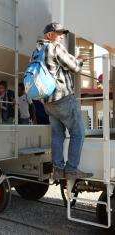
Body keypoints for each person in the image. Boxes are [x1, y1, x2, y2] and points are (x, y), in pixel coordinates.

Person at [36, 22, 93, 179]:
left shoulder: (37, 51)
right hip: (63, 98)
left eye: (62, 33)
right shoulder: (55, 47)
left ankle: (58, 168)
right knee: (79, 133)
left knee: (57, 135)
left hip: (47, 102)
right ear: (49, 35)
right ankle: (72, 169)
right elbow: (75, 67)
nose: (61, 36)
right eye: (59, 33)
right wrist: (79, 60)